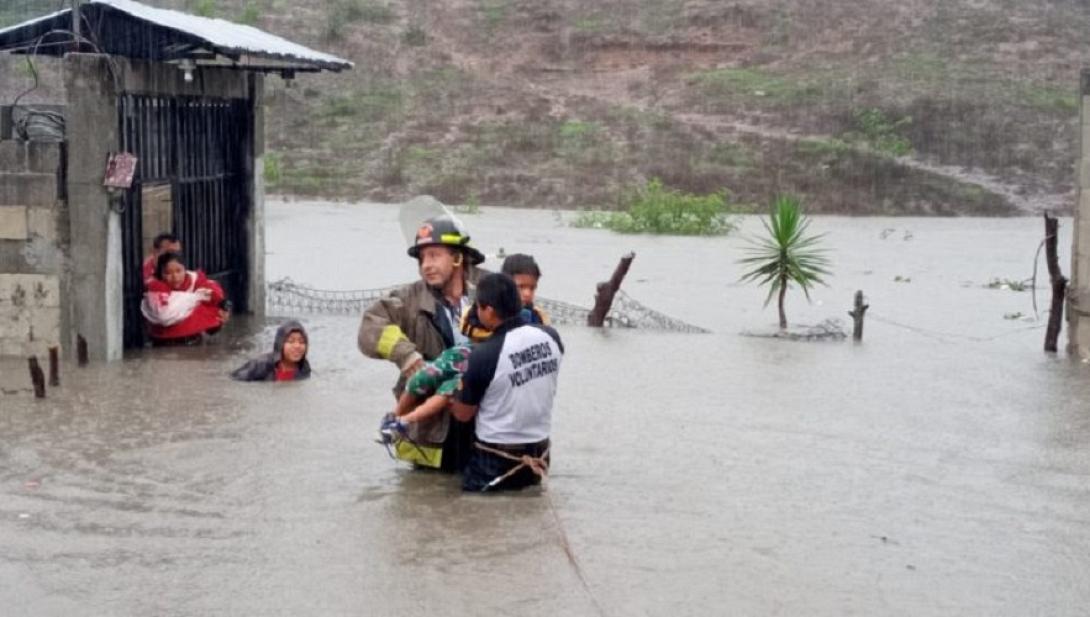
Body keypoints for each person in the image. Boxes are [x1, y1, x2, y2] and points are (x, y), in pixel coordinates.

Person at [359, 212, 487, 471]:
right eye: (421, 258)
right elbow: (369, 328)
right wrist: (406, 355)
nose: (426, 265)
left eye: (434, 255)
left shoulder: (488, 292)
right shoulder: (408, 300)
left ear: (458, 257)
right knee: (424, 503)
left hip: (482, 426)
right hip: (429, 437)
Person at [451, 273, 564, 493]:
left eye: (479, 307)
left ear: (489, 310)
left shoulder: (484, 355)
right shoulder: (552, 337)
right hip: (539, 454)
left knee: (475, 515)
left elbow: (463, 414)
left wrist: (449, 396)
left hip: (494, 459)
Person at [142, 252, 229, 344]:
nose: (175, 277)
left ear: (185, 270)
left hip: (194, 342)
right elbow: (163, 316)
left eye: (178, 271)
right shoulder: (155, 289)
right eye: (167, 273)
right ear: (160, 274)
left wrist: (221, 315)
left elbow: (215, 299)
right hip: (163, 343)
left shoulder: (197, 284)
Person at [231, 321, 311, 382]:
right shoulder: (261, 365)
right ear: (280, 344)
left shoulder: (304, 368)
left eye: (302, 342)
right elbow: (235, 380)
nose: (297, 346)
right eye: (291, 341)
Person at [501, 253, 549, 325]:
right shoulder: (492, 316)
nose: (527, 294)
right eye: (520, 287)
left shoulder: (539, 318)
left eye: (532, 288)